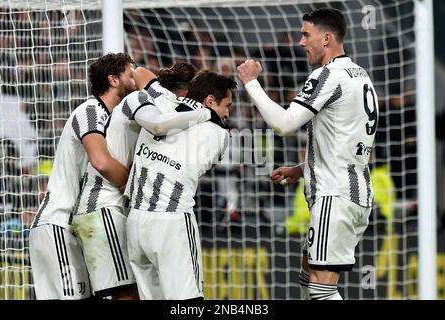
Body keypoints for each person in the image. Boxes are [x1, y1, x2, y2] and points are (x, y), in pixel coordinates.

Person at [237, 8, 378, 300]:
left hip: (334, 194)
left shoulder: (328, 75)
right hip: (352, 189)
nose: (301, 42)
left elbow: (283, 124)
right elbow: (344, 143)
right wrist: (302, 168)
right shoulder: (360, 75)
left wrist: (251, 82)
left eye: (306, 34)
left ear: (326, 38)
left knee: (321, 288)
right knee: (308, 274)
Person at [72, 63, 213, 299]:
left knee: (138, 293)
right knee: (128, 294)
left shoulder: (158, 109)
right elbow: (143, 83)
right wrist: (204, 114)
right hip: (105, 205)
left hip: (123, 211)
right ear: (186, 96)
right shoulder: (141, 100)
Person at [28, 53, 138, 300]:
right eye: (131, 73)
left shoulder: (113, 121)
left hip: (73, 227)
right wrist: (133, 187)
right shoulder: (90, 109)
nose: (136, 78)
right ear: (113, 80)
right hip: (57, 222)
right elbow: (100, 161)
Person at [126, 71, 235, 300]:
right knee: (187, 302)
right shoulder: (220, 135)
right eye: (227, 105)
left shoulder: (161, 101)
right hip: (172, 220)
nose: (228, 113)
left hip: (135, 222)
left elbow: (139, 73)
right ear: (210, 101)